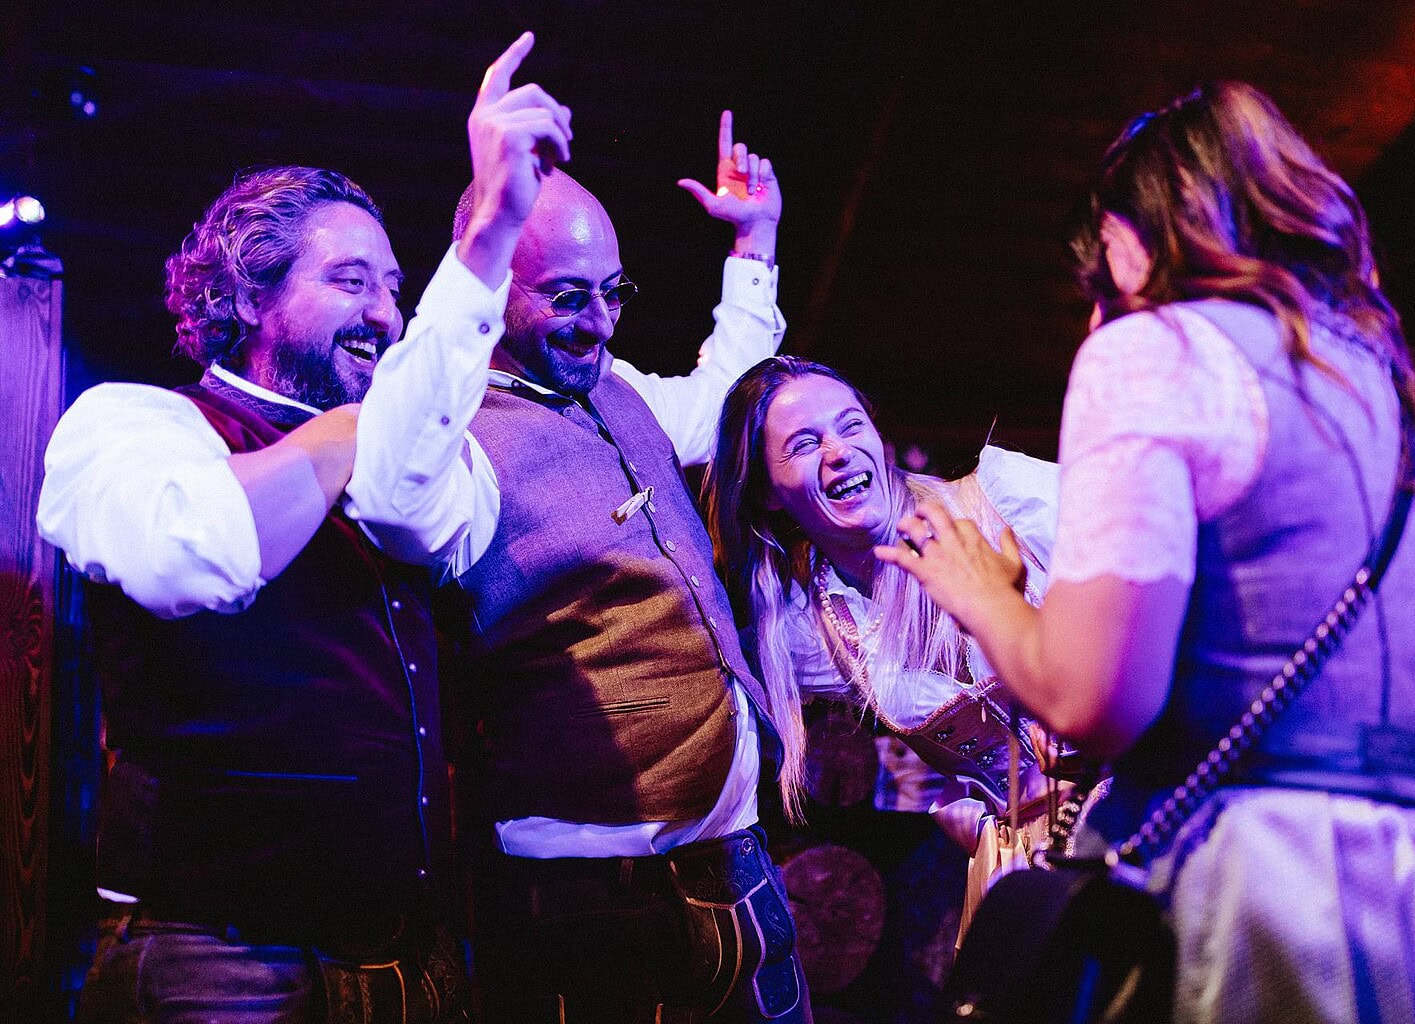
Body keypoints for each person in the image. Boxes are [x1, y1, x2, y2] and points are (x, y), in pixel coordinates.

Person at [880, 81, 1415, 1022]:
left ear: (1140, 236)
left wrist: (983, 592)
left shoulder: (1157, 352)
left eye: (1101, 277)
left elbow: (1092, 703)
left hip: (1253, 898)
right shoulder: (1412, 412)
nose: (1097, 314)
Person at [36, 33, 570, 1024]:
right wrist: (344, 432)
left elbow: (437, 527)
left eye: (396, 288)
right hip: (222, 961)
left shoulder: (401, 460)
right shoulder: (136, 423)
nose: (386, 315)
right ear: (248, 295)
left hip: (407, 959)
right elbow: (197, 556)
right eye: (351, 281)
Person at [356, 111, 809, 1022]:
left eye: (613, 292)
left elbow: (720, 399)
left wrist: (753, 245)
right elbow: (394, 505)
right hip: (590, 901)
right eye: (568, 296)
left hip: (735, 864)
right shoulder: (454, 441)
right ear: (495, 284)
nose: (598, 322)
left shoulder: (618, 385)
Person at [702, 355, 1089, 945]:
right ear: (767, 494)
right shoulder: (815, 629)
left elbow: (1178, 587)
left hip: (1144, 817)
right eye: (804, 444)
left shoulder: (1006, 501)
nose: (838, 452)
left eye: (850, 424)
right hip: (1027, 871)